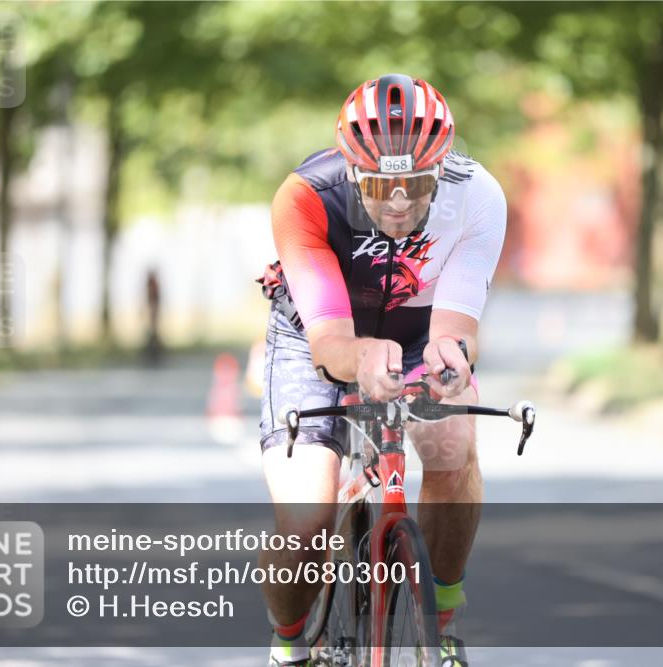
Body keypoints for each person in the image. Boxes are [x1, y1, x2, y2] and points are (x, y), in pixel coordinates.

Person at [257, 73, 506, 667]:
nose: (400, 201)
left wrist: (449, 364)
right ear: (352, 172)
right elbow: (331, 342)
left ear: (441, 170)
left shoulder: (478, 196)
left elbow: (454, 329)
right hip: (315, 334)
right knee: (308, 521)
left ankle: (439, 625)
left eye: (418, 184)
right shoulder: (305, 197)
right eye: (380, 185)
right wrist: (362, 357)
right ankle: (290, 642)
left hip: (419, 333)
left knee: (450, 446)